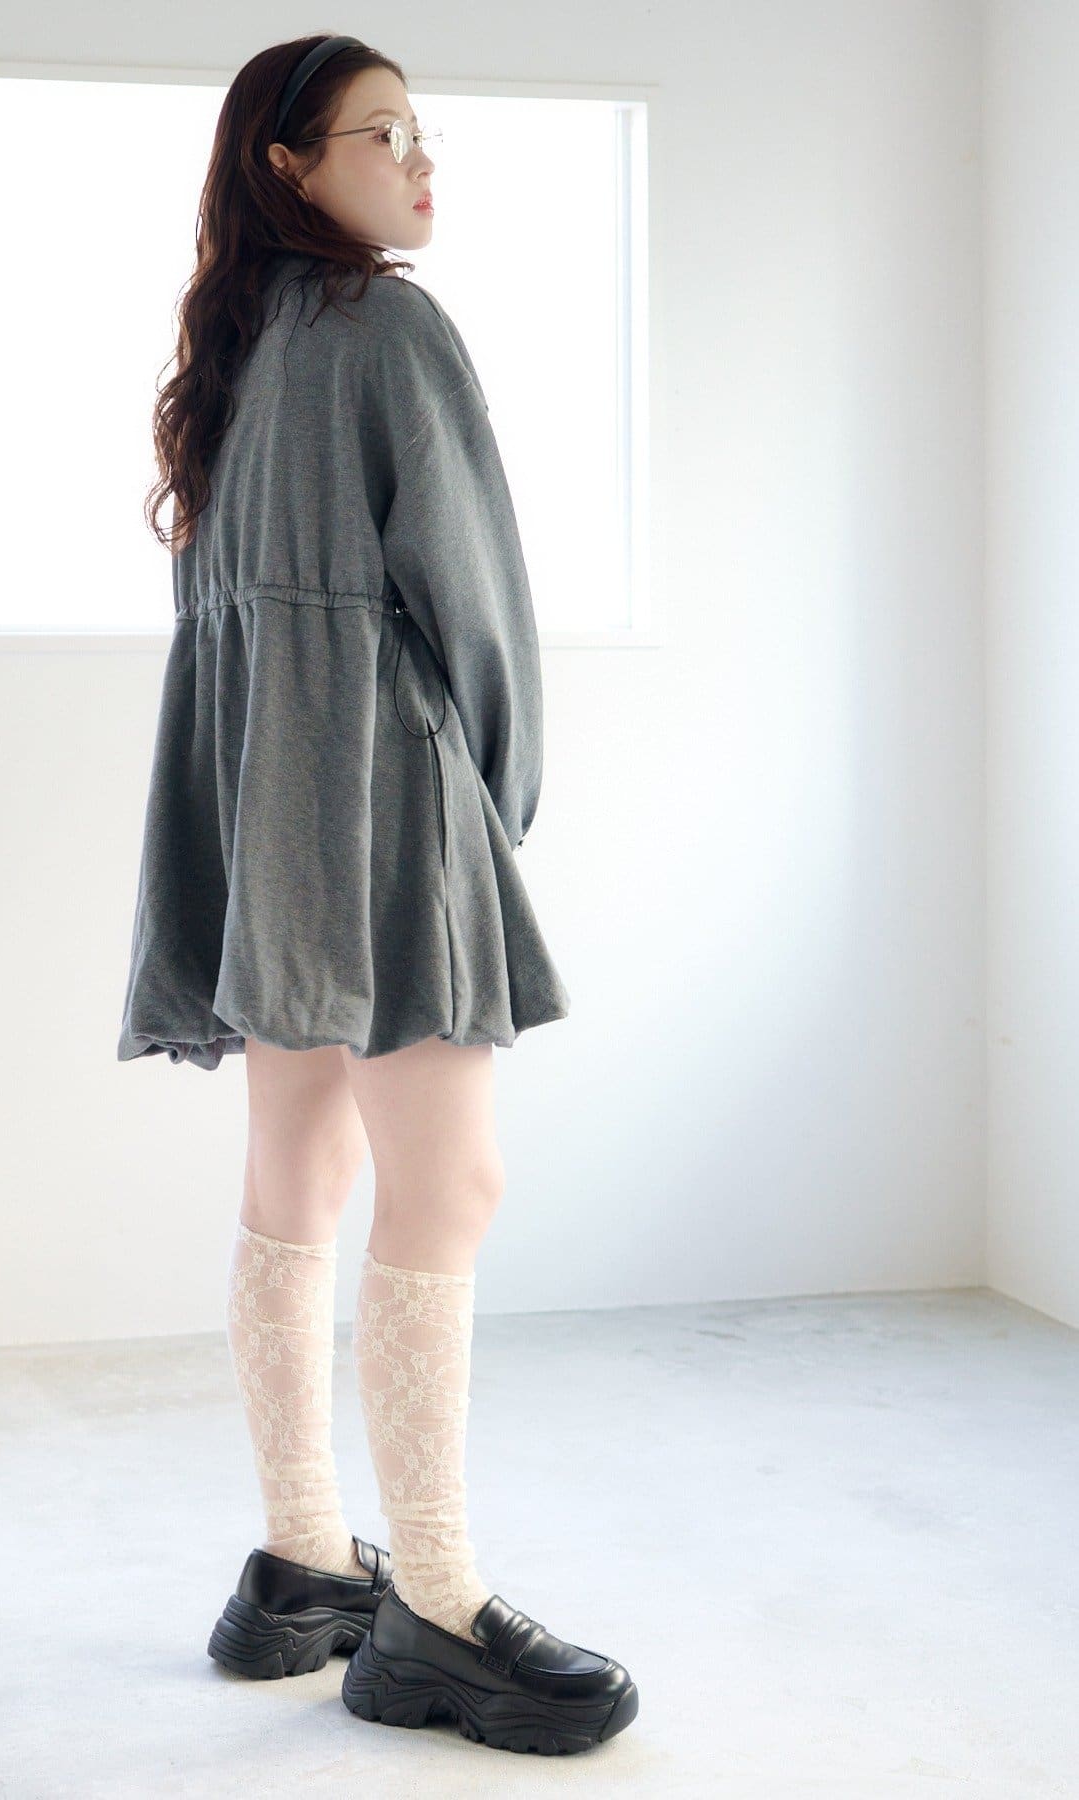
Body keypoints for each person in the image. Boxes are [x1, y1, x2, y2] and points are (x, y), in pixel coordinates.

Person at [116, 33, 639, 1756]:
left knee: (298, 1172)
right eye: (384, 133)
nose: (422, 164)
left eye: (424, 133)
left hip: (264, 803)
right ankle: (437, 1605)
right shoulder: (389, 330)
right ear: (289, 163)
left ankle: (299, 1558)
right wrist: (496, 791)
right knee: (449, 1180)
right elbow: (470, 597)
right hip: (381, 796)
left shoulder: (235, 351)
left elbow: (220, 631)